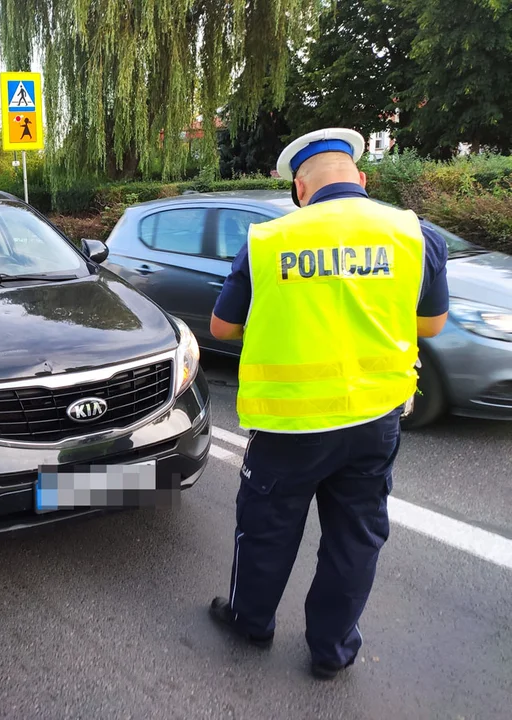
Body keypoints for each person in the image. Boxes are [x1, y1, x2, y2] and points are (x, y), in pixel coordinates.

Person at [206, 128, 449, 680]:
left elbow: (222, 325)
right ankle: (331, 651)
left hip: (289, 423)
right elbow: (431, 323)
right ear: (362, 181)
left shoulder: (269, 240)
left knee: (267, 527)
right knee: (356, 536)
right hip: (375, 418)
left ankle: (252, 622)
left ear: (300, 188)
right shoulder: (416, 234)